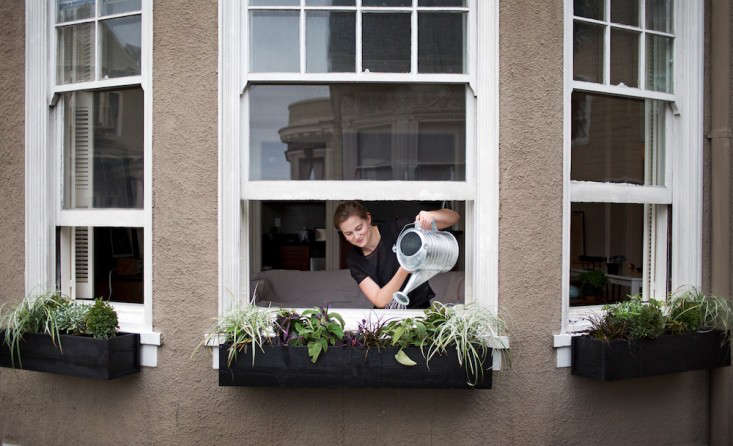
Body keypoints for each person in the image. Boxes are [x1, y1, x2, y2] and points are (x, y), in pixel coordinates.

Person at [333, 201, 460, 309]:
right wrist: (405, 267)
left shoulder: (399, 228)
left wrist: (431, 215)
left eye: (359, 228)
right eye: (348, 234)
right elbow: (380, 300)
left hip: (421, 311)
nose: (356, 236)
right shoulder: (354, 259)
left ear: (368, 218)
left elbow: (454, 217)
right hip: (387, 320)